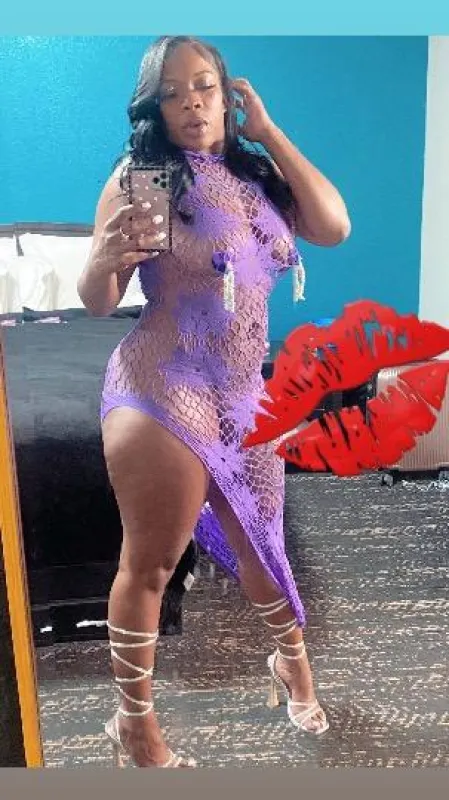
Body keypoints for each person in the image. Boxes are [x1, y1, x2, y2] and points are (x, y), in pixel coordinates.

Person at [77, 35, 351, 768]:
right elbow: (99, 301)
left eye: (203, 86)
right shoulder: (144, 177)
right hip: (162, 382)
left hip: (244, 394)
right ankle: (134, 723)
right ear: (154, 108)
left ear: (227, 94)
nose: (191, 103)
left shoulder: (257, 175)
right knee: (152, 563)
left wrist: (269, 133)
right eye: (171, 93)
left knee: (264, 544)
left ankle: (291, 662)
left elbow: (332, 226)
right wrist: (102, 260)